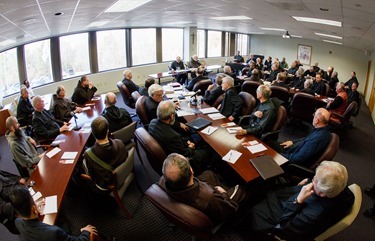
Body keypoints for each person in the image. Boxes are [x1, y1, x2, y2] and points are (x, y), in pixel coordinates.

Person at [245, 161, 354, 241]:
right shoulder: (343, 189)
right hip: (295, 200)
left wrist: (298, 201)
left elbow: (285, 228)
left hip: (284, 217)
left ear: (321, 193)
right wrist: (303, 185)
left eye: (314, 180)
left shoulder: (311, 216)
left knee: (256, 205)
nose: (312, 178)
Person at [158, 153, 247, 224]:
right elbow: (230, 208)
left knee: (209, 174)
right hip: (217, 204)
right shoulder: (209, 197)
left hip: (185, 195)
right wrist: (224, 194)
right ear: (191, 171)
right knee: (242, 189)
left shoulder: (162, 181)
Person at [10, 184, 98, 241]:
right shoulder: (53, 232)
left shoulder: (17, 222)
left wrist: (35, 209)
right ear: (33, 209)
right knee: (91, 229)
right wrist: (85, 232)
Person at [148, 100, 210, 173]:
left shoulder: (152, 122)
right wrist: (190, 147)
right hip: (182, 159)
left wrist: (186, 142)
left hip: (171, 147)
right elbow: (185, 154)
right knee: (210, 150)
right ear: (171, 116)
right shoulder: (173, 136)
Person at [84, 116, 128, 190]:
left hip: (106, 185)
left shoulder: (88, 154)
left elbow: (91, 175)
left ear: (92, 133)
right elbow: (126, 156)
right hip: (124, 174)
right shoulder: (119, 142)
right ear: (107, 131)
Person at [0, 170, 26, 234]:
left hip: (17, 189)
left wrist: (18, 179)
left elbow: (6, 174)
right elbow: (3, 208)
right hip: (14, 212)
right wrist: (26, 204)